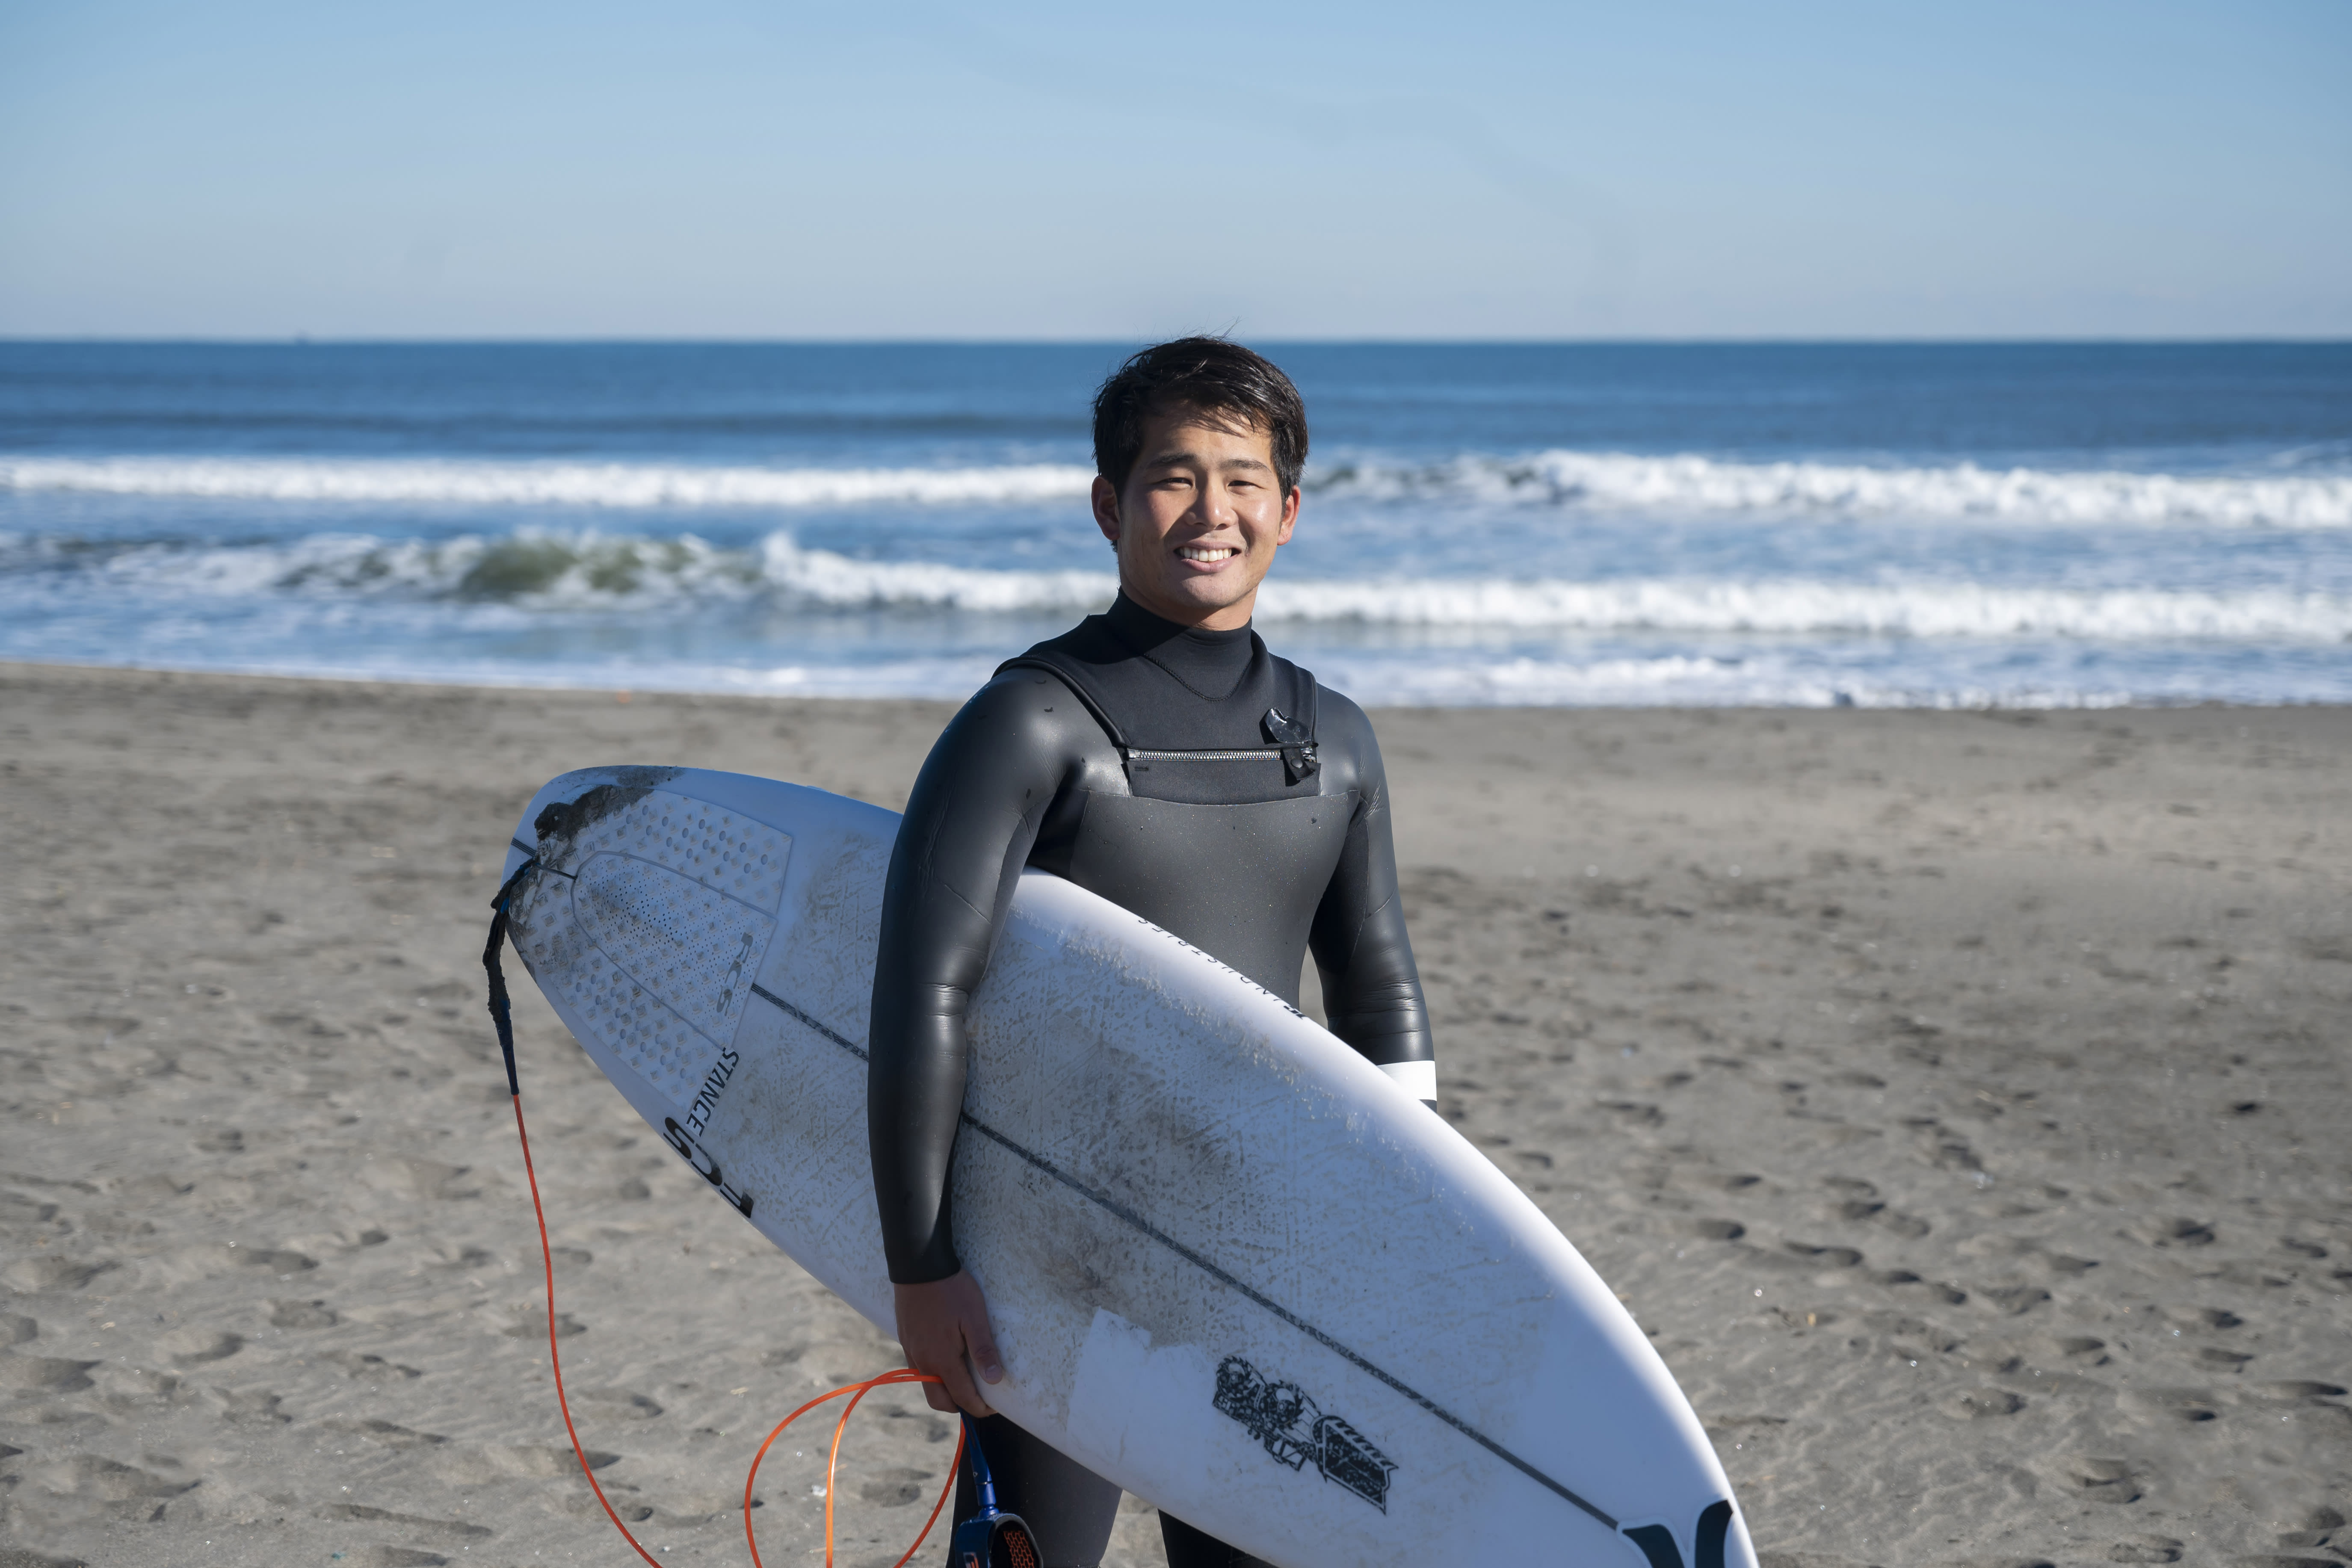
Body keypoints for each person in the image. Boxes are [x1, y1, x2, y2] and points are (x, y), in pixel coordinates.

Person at [867, 337, 1436, 1568]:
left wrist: (1409, 1228)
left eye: (1242, 478)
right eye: (1173, 476)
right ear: (1108, 504)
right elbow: (925, 994)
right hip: (1046, 1253)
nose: (1210, 509)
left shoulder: (1330, 739)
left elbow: (1378, 989)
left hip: (1259, 1246)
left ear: (1288, 510)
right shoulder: (1032, 721)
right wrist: (922, 1269)